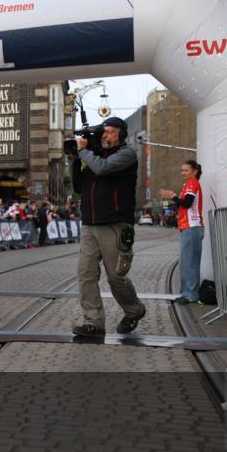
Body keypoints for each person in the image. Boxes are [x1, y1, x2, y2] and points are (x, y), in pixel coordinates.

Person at [71, 116, 146, 336]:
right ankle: (93, 322)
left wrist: (84, 152)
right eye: (103, 132)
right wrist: (75, 159)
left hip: (115, 224)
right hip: (90, 224)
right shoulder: (94, 157)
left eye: (110, 131)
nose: (105, 135)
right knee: (86, 273)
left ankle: (134, 310)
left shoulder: (126, 154)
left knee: (116, 277)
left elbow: (103, 169)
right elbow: (77, 186)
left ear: (121, 134)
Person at [160, 160, 204, 304]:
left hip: (192, 227)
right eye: (182, 170)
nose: (183, 173)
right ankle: (186, 293)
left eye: (186, 170)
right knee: (186, 262)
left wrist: (172, 196)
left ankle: (191, 295)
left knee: (190, 262)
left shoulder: (192, 183)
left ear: (194, 171)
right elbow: (184, 206)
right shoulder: (188, 184)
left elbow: (187, 203)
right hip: (188, 227)